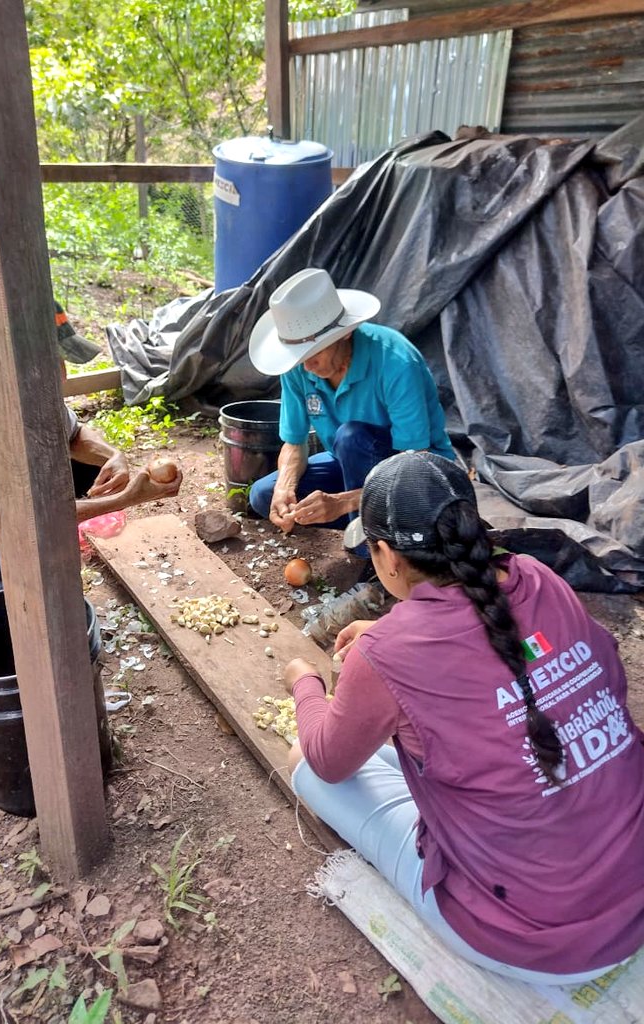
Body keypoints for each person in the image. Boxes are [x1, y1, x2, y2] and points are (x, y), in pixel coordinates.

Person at [284, 451, 644, 983]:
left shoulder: (385, 655)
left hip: (527, 936)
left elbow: (327, 759)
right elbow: (508, 658)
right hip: (632, 896)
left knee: (305, 761)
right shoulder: (538, 577)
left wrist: (305, 683)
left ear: (385, 556)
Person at [0, 302, 182, 613]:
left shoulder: (20, 386)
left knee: (86, 471)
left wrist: (113, 455)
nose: (62, 373)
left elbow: (74, 435)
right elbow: (25, 522)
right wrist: (125, 499)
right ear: (12, 357)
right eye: (54, 360)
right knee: (50, 603)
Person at [247, 268, 454, 544]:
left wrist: (342, 502)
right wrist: (285, 487)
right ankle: (365, 528)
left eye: (314, 352)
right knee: (262, 495)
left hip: (417, 474)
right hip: (349, 464)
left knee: (351, 437)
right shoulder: (298, 367)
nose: (307, 366)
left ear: (344, 334)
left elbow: (413, 466)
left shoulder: (395, 362)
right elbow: (295, 443)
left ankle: (371, 547)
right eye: (299, 357)